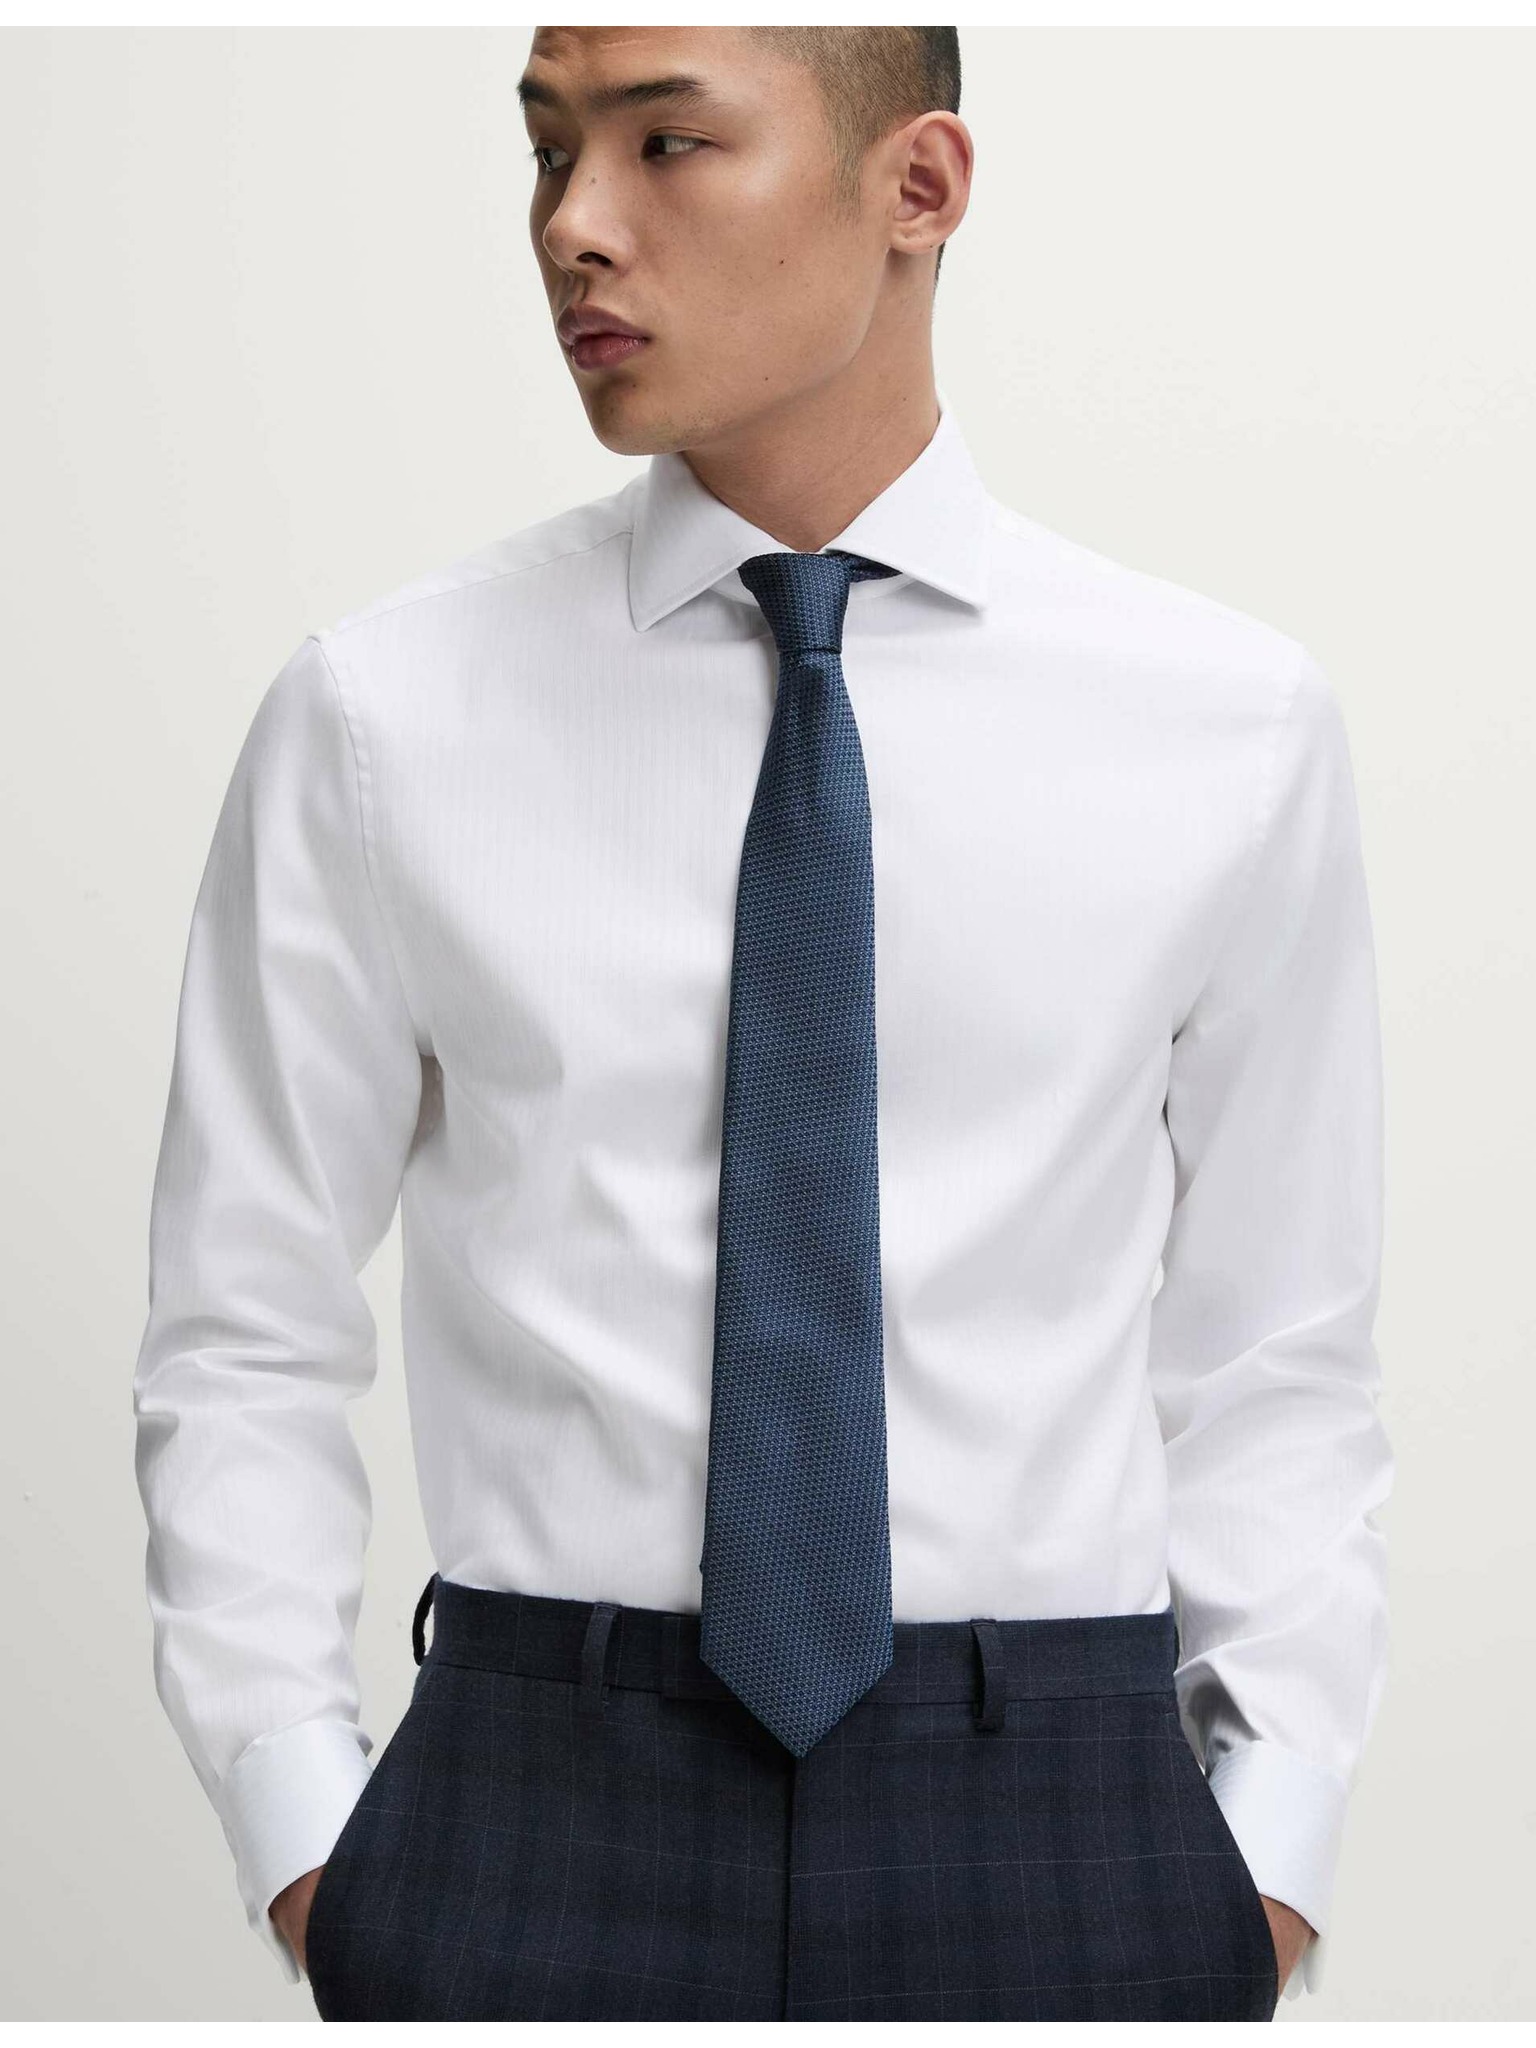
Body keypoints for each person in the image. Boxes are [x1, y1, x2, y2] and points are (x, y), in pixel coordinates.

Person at [132, 25, 1392, 2023]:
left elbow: (1280, 1348)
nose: (575, 226)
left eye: (668, 145)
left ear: (919, 188)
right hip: (531, 1805)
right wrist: (311, 1844)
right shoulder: (381, 720)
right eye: (547, 151)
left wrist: (1271, 1857)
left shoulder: (1226, 729)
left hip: (1067, 1814)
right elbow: (244, 1323)